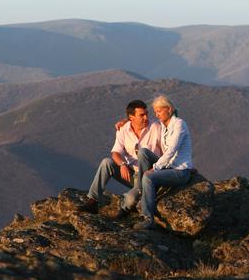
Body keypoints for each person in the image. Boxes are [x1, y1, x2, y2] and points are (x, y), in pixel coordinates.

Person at [76, 100, 162, 216]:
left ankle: (128, 204)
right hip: (132, 174)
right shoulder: (123, 129)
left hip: (149, 176)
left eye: (147, 114)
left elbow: (168, 149)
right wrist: (122, 164)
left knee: (130, 200)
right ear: (131, 117)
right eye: (142, 115)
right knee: (106, 162)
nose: (146, 117)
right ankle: (93, 202)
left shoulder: (156, 128)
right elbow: (115, 153)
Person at [133, 95, 193, 230]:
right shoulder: (163, 126)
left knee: (148, 177)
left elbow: (172, 150)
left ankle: (148, 218)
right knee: (143, 152)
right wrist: (125, 122)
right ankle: (142, 195)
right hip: (168, 166)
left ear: (169, 109)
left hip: (180, 171)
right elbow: (140, 122)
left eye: (159, 111)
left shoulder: (179, 124)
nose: (156, 114)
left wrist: (155, 168)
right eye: (155, 112)